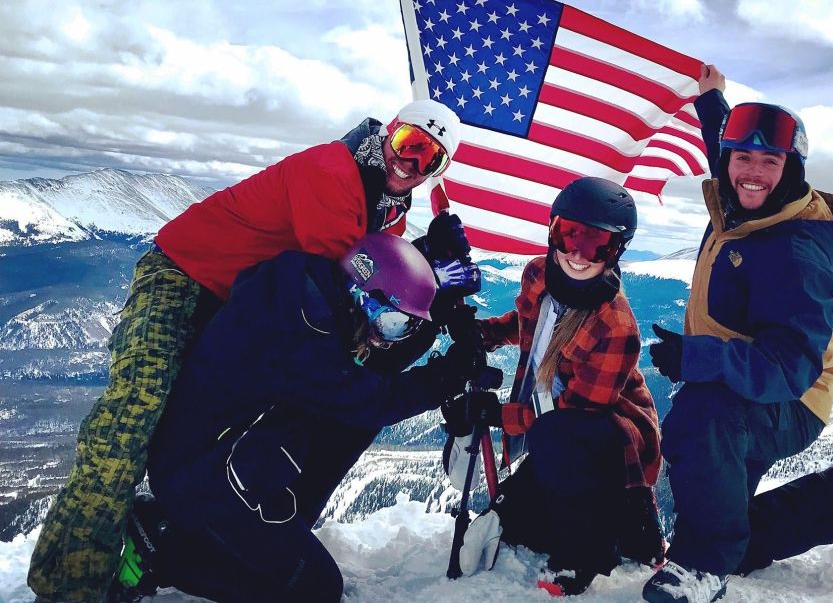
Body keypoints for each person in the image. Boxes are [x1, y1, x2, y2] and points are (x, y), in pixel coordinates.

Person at [28, 98, 477, 602]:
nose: (412, 164)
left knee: (296, 399)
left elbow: (365, 294)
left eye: (430, 159)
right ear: (388, 132)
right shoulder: (332, 172)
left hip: (247, 309)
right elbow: (340, 269)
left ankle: (195, 530)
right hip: (185, 277)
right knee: (133, 414)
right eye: (408, 144)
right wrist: (430, 268)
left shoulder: (389, 207)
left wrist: (431, 289)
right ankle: (67, 584)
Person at [113, 234, 493, 602]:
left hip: (220, 454)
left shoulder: (307, 297)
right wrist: (447, 376)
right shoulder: (303, 335)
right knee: (315, 589)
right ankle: (164, 552)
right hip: (202, 481)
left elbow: (372, 367)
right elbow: (372, 397)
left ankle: (226, 537)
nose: (393, 337)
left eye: (404, 326)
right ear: (362, 298)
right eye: (395, 324)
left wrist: (434, 308)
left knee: (350, 423)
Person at [641, 65, 833, 603]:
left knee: (699, 417)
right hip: (751, 386)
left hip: (790, 396)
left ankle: (700, 570)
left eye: (770, 161)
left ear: (792, 169)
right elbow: (722, 146)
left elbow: (790, 366)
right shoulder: (742, 196)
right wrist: (713, 101)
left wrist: (700, 359)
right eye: (743, 158)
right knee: (734, 530)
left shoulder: (793, 252)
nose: (752, 171)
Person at [441, 177, 664, 596]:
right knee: (520, 527)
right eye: (570, 235)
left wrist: (497, 416)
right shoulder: (539, 274)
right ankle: (624, 532)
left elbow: (575, 410)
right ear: (552, 231)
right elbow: (525, 324)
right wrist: (481, 334)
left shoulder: (614, 325)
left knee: (555, 438)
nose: (579, 254)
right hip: (559, 425)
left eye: (599, 244)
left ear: (618, 250)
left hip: (608, 433)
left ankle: (589, 556)